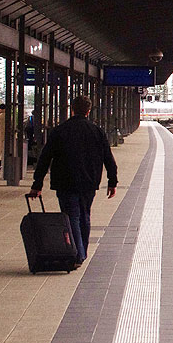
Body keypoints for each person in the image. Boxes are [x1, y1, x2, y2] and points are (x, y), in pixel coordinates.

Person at [27, 95, 117, 267]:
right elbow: (108, 158)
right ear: (88, 111)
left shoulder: (60, 131)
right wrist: (112, 181)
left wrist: (37, 185)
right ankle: (81, 252)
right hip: (89, 182)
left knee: (72, 217)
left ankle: (78, 254)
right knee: (85, 216)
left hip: (65, 182)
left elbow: (44, 159)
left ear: (72, 109)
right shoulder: (97, 131)